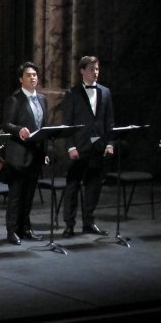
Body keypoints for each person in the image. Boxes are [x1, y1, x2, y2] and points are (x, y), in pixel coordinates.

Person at [61, 55, 113, 238]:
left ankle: (89, 222)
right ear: (82, 71)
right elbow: (67, 123)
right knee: (73, 187)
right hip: (79, 146)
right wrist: (70, 147)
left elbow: (109, 122)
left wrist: (110, 143)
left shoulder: (105, 92)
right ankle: (69, 225)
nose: (95, 73)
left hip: (97, 146)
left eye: (97, 69)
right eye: (91, 69)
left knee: (93, 186)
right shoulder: (73, 93)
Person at [0, 62, 48, 245]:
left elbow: (43, 127)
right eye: (28, 75)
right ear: (21, 79)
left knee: (29, 196)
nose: (33, 77)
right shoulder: (15, 99)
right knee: (16, 196)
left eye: (35, 74)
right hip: (18, 155)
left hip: (35, 154)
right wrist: (19, 129)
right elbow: (6, 124)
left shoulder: (42, 99)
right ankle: (12, 231)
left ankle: (25, 228)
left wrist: (44, 151)